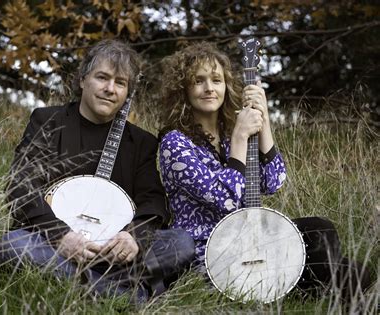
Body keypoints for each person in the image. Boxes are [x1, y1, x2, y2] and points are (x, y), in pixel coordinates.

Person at [157, 41, 372, 302]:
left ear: (226, 86)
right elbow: (224, 199)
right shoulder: (175, 142)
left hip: (252, 239)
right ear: (184, 89)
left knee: (320, 231)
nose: (209, 88)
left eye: (216, 80)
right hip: (211, 250)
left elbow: (274, 181)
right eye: (198, 81)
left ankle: (325, 291)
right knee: (345, 271)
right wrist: (240, 137)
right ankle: (324, 293)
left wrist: (264, 120)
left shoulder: (229, 134)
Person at [0, 39, 194, 302]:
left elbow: (153, 201)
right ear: (83, 79)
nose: (110, 89)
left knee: (183, 243)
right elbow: (20, 187)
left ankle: (79, 283)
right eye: (102, 77)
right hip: (55, 244)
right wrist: (61, 236)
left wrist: (134, 238)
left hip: (115, 251)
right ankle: (124, 294)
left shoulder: (141, 142)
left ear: (128, 92)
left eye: (120, 83)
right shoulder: (48, 121)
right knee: (13, 245)